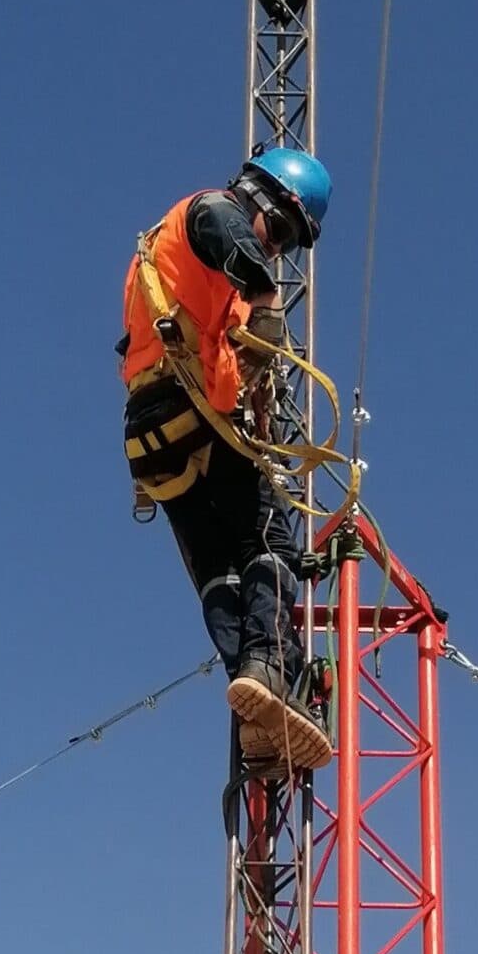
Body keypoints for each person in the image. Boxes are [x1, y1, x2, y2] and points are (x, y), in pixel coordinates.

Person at [120, 148, 336, 776]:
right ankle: (271, 670)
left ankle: (258, 720)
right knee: (270, 545)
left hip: (154, 437)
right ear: (263, 196)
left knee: (219, 570)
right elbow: (227, 230)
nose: (277, 249)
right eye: (282, 230)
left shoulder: (188, 275)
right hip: (194, 417)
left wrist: (261, 400)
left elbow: (232, 360)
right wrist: (268, 300)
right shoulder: (209, 213)